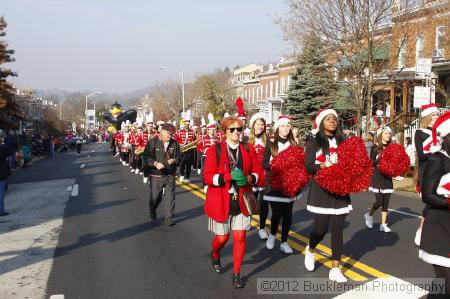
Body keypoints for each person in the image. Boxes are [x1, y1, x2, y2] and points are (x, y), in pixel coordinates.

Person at [203, 115, 261, 288]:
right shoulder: (216, 150)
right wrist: (227, 177)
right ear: (224, 132)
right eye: (232, 129)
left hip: (242, 201)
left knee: (240, 236)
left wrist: (249, 179)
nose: (236, 132)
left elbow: (260, 173)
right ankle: (215, 254)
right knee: (222, 238)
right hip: (221, 201)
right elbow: (207, 177)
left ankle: (237, 273)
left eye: (239, 129)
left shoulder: (248, 148)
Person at [304, 108, 350, 283]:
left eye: (335, 119)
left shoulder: (343, 141)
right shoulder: (314, 141)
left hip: (340, 191)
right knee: (320, 230)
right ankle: (311, 248)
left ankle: (335, 269)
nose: (332, 121)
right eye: (328, 119)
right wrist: (323, 166)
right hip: (321, 191)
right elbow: (308, 167)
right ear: (321, 122)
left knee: (338, 230)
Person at [419, 111, 450, 296]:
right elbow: (427, 195)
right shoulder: (437, 159)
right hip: (438, 224)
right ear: (445, 138)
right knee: (446, 281)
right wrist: (448, 202)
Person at [263, 116, 298, 254]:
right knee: (277, 213)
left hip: (290, 185)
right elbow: (264, 163)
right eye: (282, 126)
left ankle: (284, 241)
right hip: (274, 184)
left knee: (288, 214)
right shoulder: (271, 143)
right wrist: (277, 165)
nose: (285, 128)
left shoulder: (294, 145)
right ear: (277, 128)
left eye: (288, 126)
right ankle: (272, 235)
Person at [143, 123, 181, 226]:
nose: (170, 136)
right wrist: (155, 163)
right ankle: (152, 208)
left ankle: (169, 218)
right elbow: (145, 157)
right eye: (168, 133)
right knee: (156, 197)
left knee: (170, 197)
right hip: (156, 175)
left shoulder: (175, 144)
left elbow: (179, 157)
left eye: (171, 134)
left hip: (170, 175)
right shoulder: (152, 142)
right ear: (162, 131)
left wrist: (174, 160)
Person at [414, 103, 440, 246]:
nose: (436, 117)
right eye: (434, 114)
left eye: (437, 114)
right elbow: (421, 156)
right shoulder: (420, 133)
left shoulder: (442, 133)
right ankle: (421, 230)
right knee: (431, 203)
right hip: (428, 172)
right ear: (428, 117)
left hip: (441, 172)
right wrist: (435, 150)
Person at [365, 127, 394, 233]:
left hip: (387, 176)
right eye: (386, 133)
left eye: (389, 133)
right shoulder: (375, 147)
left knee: (386, 202)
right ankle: (369, 214)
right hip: (377, 176)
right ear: (381, 135)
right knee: (379, 201)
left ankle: (383, 224)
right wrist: (380, 158)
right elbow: (371, 163)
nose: (388, 135)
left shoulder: (392, 147)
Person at [248, 113, 270, 240]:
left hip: (265, 176)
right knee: (250, 201)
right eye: (258, 124)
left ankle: (262, 228)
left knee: (264, 203)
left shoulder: (269, 141)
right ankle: (247, 221)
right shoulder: (246, 141)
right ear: (253, 126)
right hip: (251, 176)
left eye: (262, 124)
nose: (260, 127)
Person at [177, 114, 196, 183]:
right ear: (184, 123)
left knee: (188, 164)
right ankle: (182, 174)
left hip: (190, 149)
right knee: (182, 163)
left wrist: (193, 144)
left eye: (188, 124)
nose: (187, 125)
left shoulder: (192, 132)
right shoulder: (180, 131)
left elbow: (194, 139)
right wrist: (180, 145)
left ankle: (187, 177)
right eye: (186, 124)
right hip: (182, 149)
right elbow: (177, 140)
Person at [0, 138, 13, 216]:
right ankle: (1, 210)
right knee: (1, 192)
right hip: (2, 172)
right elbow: (10, 151)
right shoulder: (2, 148)